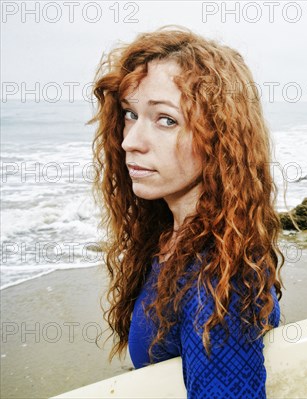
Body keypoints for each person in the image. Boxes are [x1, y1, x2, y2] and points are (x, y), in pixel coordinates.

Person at [89, 26, 283, 398]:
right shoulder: (171, 236)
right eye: (130, 114)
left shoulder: (219, 281)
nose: (129, 142)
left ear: (220, 137)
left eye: (166, 120)